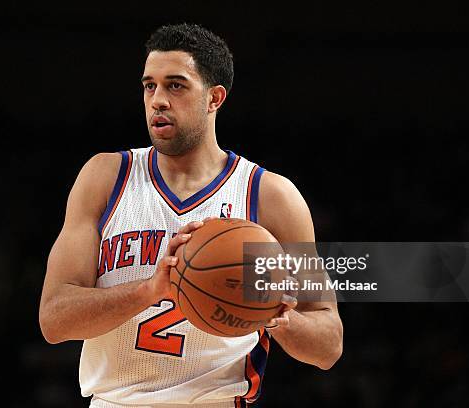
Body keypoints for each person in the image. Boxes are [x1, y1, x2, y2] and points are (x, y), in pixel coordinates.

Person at [39, 23, 343, 407]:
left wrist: (274, 315)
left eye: (175, 85)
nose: (158, 100)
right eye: (150, 86)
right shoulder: (105, 177)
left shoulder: (269, 196)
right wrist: (149, 290)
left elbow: (329, 344)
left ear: (214, 98)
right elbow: (54, 320)